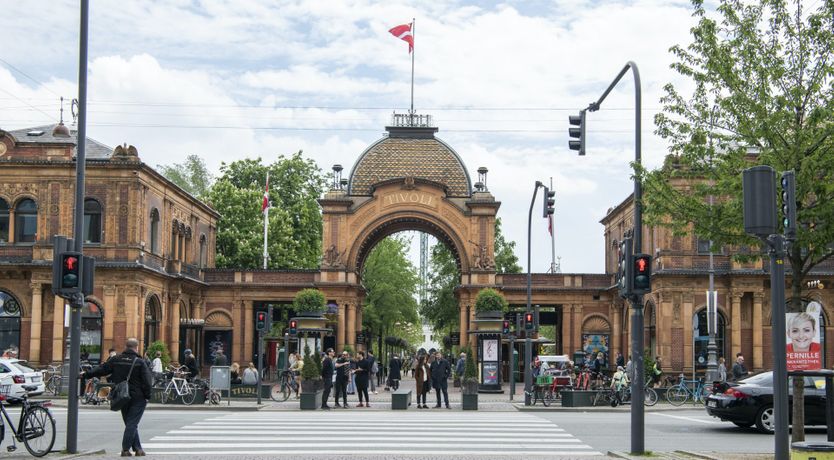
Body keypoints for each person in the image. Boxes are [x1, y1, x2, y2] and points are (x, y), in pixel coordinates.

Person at [81, 338, 152, 457]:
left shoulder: (116, 359)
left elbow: (102, 370)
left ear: (126, 346)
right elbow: (147, 381)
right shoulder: (140, 362)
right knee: (132, 423)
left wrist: (86, 374)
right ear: (136, 347)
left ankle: (138, 449)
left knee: (130, 422)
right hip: (138, 397)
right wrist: (147, 396)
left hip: (122, 396)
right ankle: (125, 449)